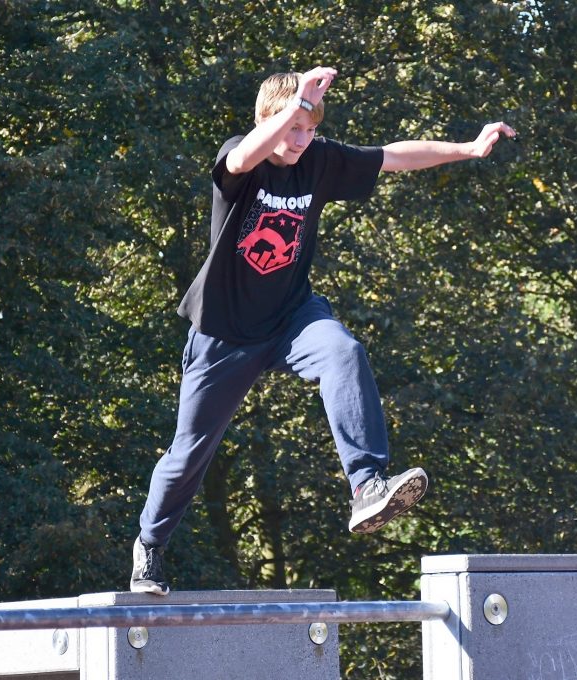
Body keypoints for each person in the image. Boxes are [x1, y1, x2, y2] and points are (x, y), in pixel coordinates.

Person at [131, 66, 517, 595]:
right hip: (225, 331)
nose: (299, 141)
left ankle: (366, 485)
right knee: (189, 454)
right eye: (291, 128)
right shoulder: (238, 158)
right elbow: (245, 156)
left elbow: (393, 156)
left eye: (309, 131)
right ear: (267, 120)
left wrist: (467, 149)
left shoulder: (318, 159)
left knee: (343, 351)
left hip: (291, 318)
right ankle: (149, 546)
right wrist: (294, 107)